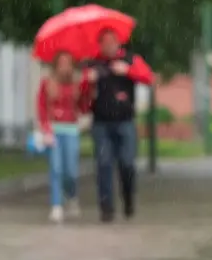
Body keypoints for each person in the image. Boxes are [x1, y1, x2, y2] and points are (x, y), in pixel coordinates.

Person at [88, 29, 154, 222]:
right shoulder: (93, 63)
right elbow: (80, 88)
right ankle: (106, 207)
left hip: (125, 120)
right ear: (100, 44)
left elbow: (148, 77)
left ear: (118, 43)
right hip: (101, 122)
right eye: (105, 42)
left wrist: (128, 71)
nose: (109, 45)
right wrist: (88, 81)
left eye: (112, 42)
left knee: (127, 163)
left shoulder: (130, 59)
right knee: (103, 163)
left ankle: (128, 198)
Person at [36, 51, 92, 223]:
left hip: (71, 130)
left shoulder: (78, 84)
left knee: (71, 171)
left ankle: (72, 197)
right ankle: (56, 206)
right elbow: (41, 107)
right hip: (54, 130)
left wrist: (87, 87)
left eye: (68, 63)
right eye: (61, 63)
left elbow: (84, 106)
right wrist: (46, 129)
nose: (64, 67)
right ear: (55, 66)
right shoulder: (47, 83)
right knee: (56, 168)